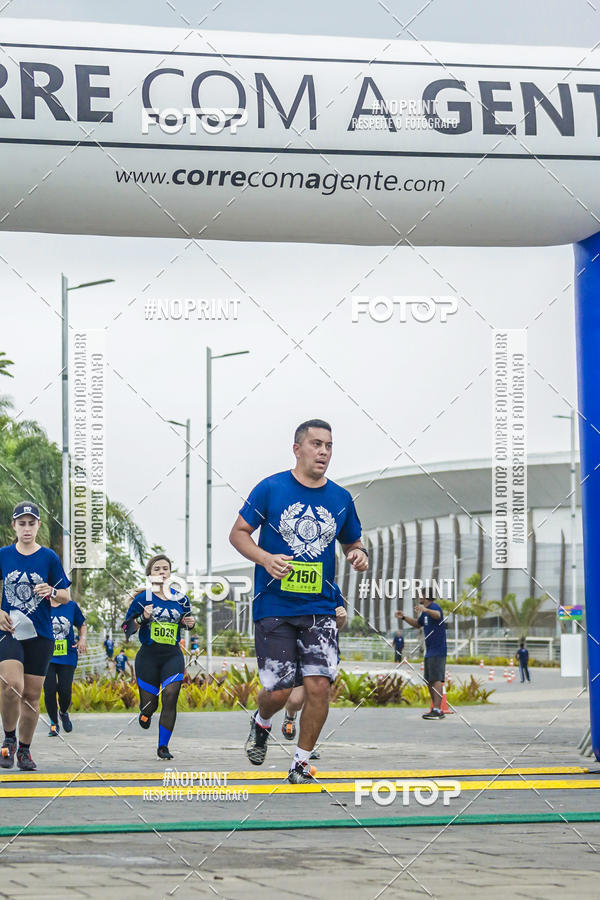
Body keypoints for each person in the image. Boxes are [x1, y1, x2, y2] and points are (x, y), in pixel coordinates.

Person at [229, 418, 368, 784]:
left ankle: (301, 763)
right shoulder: (270, 488)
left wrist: (358, 554)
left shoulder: (340, 498)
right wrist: (265, 559)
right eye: (316, 444)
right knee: (279, 691)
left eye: (329, 446)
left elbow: (352, 541)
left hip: (320, 607)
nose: (323, 452)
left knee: (319, 686)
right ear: (297, 448)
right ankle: (262, 722)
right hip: (275, 606)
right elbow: (238, 533)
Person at [0, 502, 71, 770]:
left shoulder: (49, 557)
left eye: (32, 523)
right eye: (22, 523)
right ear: (14, 526)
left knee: (31, 696)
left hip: (40, 634)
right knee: (10, 685)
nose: (27, 528)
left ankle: (25, 751)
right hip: (9, 631)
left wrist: (51, 591)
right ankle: (8, 740)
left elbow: (65, 596)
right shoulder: (4, 555)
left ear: (38, 525)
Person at [122, 554, 194, 760]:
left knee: (171, 695)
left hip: (173, 656)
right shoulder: (142, 599)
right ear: (149, 574)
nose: (162, 572)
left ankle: (163, 746)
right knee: (150, 705)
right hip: (148, 658)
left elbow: (186, 622)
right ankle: (146, 714)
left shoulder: (181, 599)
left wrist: (189, 624)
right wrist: (142, 618)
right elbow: (126, 628)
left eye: (165, 568)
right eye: (157, 569)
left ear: (170, 573)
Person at [397, 587, 447, 720]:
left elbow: (438, 615)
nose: (419, 597)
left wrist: (426, 610)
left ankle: (438, 710)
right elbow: (417, 624)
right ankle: (434, 709)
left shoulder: (434, 607)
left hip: (438, 650)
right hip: (429, 650)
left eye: (421, 595)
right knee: (430, 680)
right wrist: (404, 617)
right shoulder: (425, 612)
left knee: (436, 679)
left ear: (425, 596)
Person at [44, 596, 86, 736]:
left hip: (67, 655)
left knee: (65, 690)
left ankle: (63, 712)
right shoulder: (41, 605)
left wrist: (82, 639)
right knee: (49, 690)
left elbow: (82, 625)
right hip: (46, 655)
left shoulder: (71, 606)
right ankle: (54, 723)